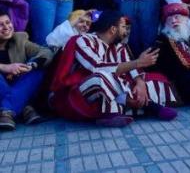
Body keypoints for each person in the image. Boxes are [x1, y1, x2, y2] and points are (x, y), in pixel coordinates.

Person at [49, 10, 177, 127]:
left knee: (155, 81)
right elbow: (96, 67)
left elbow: (130, 67)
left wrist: (140, 82)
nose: (126, 32)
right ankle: (146, 105)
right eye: (123, 28)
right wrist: (138, 62)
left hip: (114, 88)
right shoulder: (84, 40)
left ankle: (114, 112)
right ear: (113, 29)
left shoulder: (119, 46)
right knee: (101, 77)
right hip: (83, 90)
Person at [0, 10, 54, 131]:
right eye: (0, 25)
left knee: (38, 69)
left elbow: (46, 52)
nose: (6, 27)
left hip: (22, 85)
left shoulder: (19, 39)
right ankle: (25, 108)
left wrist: (32, 65)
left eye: (8, 22)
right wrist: (5, 67)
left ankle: (7, 110)